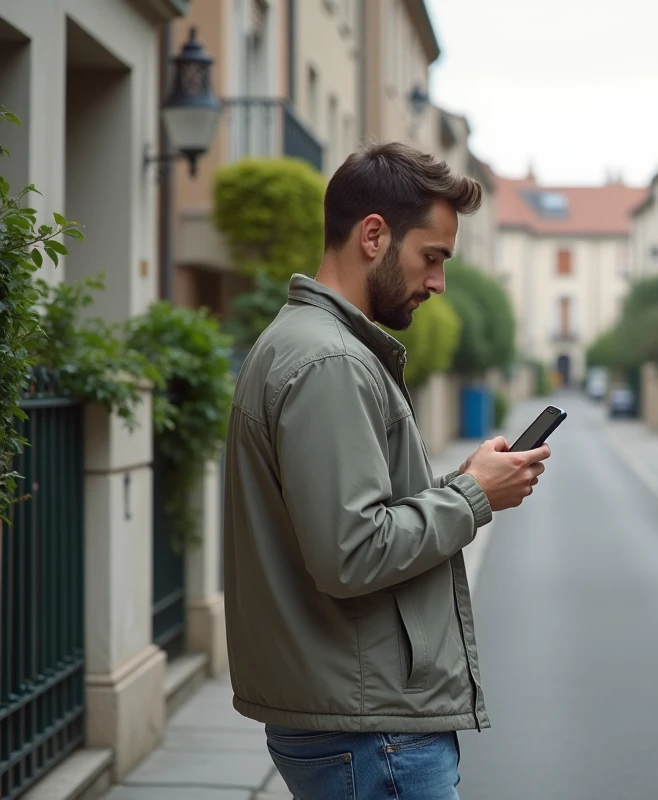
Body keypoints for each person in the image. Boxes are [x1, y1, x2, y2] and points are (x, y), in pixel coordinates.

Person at [222, 140, 551, 800]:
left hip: (354, 713)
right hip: (370, 731)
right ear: (373, 235)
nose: (438, 283)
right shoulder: (330, 362)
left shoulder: (312, 345)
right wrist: (472, 496)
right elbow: (352, 552)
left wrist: (459, 484)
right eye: (432, 258)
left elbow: (346, 519)